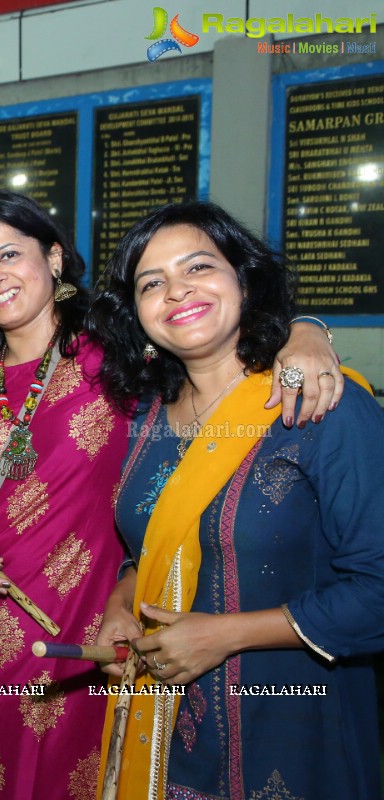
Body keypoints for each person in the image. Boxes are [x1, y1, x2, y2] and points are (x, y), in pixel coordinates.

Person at [0, 191, 342, 800]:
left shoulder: (119, 358)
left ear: (53, 258)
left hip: (96, 633)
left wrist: (306, 333)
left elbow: (211, 336)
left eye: (9, 255)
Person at [89, 201, 383, 800]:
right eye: (152, 283)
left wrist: (227, 634)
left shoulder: (322, 408)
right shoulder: (145, 420)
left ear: (243, 279)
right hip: (165, 731)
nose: (177, 291)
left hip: (291, 722)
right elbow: (154, 546)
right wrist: (122, 602)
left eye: (198, 267)